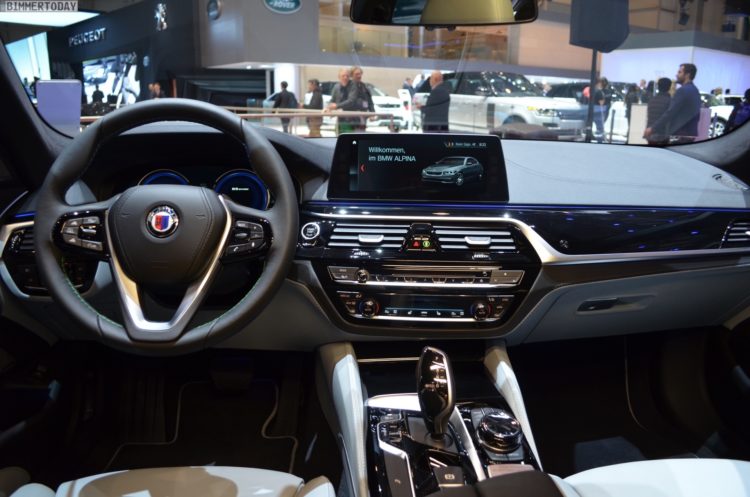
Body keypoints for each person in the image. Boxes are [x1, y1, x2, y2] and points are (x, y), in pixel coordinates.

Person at [644, 63, 701, 143]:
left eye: (680, 72)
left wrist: (652, 128)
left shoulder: (682, 91)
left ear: (687, 75)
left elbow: (670, 112)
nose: (676, 75)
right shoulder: (695, 90)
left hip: (680, 134)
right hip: (691, 133)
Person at [328, 68, 358, 135]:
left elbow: (351, 101)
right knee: (340, 136)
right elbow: (332, 100)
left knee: (349, 137)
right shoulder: (336, 87)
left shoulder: (353, 85)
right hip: (340, 119)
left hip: (351, 119)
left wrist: (337, 106)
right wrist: (328, 107)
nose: (345, 77)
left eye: (347, 76)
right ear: (339, 77)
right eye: (343, 76)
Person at [645, 77, 672, 146]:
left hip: (650, 135)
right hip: (662, 136)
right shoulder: (670, 101)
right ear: (669, 87)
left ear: (658, 87)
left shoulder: (652, 100)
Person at [349, 66, 375, 131]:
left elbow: (369, 101)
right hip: (351, 118)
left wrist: (372, 113)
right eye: (357, 74)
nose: (359, 76)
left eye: (360, 74)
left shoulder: (364, 86)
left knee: (361, 134)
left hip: (363, 116)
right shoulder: (348, 86)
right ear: (351, 75)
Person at [591, 78, 607, 143]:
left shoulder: (589, 90)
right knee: (600, 127)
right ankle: (600, 140)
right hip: (598, 110)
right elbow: (601, 103)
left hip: (589, 110)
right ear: (598, 83)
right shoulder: (599, 91)